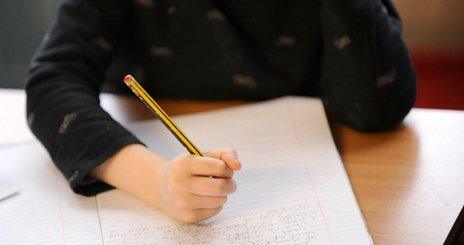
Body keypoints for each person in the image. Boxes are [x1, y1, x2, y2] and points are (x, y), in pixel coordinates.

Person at [25, 0, 416, 223]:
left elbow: (377, 109)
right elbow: (53, 84)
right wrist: (154, 178)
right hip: (157, 155)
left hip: (317, 164)